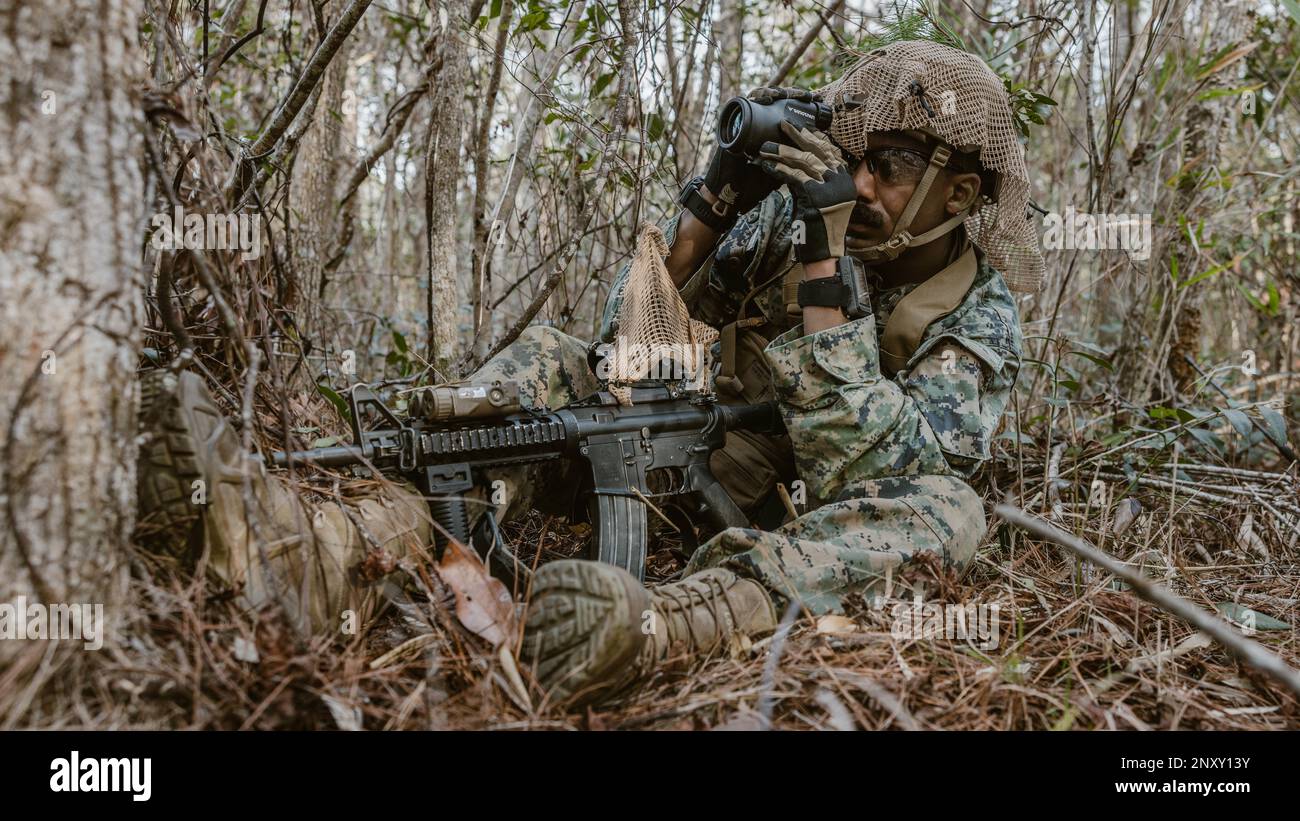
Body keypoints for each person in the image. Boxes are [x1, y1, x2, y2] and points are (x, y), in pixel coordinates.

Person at [137, 40, 1042, 707]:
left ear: (958, 194)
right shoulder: (787, 226)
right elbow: (626, 347)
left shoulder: (976, 316)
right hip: (672, 461)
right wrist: (715, 198)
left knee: (946, 513)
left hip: (783, 537)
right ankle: (319, 545)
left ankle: (645, 627)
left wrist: (824, 265)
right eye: (851, 158)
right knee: (554, 362)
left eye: (887, 167)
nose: (859, 182)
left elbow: (871, 478)